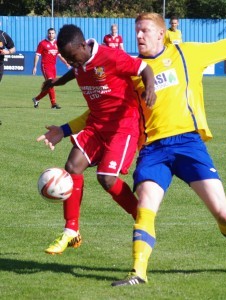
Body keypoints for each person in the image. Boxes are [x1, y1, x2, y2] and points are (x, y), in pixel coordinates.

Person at [38, 13, 226, 285]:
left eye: (144, 31)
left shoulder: (188, 53)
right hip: (153, 150)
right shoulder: (133, 69)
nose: (139, 36)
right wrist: (65, 129)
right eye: (137, 31)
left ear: (160, 34)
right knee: (144, 207)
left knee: (223, 214)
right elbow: (103, 111)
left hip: (188, 144)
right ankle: (138, 273)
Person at [36, 24, 156, 255]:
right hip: (96, 126)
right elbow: (76, 72)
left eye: (73, 57)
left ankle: (142, 218)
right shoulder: (79, 62)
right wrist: (56, 83)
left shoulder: (110, 56)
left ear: (83, 45)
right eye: (68, 59)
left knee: (107, 178)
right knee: (72, 166)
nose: (73, 63)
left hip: (123, 126)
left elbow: (143, 67)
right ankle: (71, 231)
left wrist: (150, 87)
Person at [32, 28, 70, 109]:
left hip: (53, 67)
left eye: (52, 33)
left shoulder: (57, 43)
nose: (51, 35)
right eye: (49, 33)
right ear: (47, 34)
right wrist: (35, 67)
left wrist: (66, 63)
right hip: (45, 66)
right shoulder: (42, 43)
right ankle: (53, 104)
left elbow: (59, 55)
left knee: (49, 86)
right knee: (51, 83)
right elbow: (37, 55)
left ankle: (36, 99)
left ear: (55, 34)